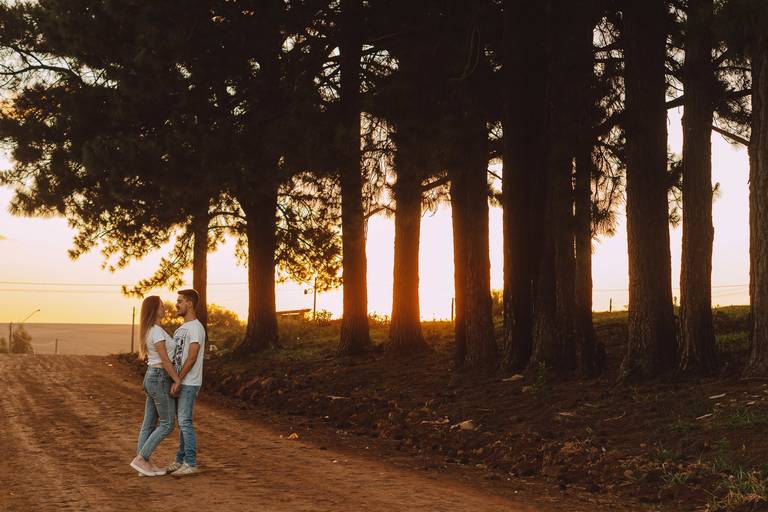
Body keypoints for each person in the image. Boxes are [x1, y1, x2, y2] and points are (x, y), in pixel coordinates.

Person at [130, 296, 180, 477]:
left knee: (149, 424)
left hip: (152, 376)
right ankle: (141, 458)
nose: (165, 309)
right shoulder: (157, 332)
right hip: (159, 377)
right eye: (162, 306)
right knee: (167, 425)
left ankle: (144, 465)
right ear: (154, 310)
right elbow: (165, 359)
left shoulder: (152, 330)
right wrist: (177, 379)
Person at [167, 288, 206, 476]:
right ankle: (180, 459)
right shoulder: (180, 329)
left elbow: (191, 357)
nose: (177, 304)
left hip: (189, 382)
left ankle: (190, 462)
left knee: (185, 421)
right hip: (180, 380)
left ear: (189, 304)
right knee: (182, 422)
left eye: (180, 301)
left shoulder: (196, 328)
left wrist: (178, 379)